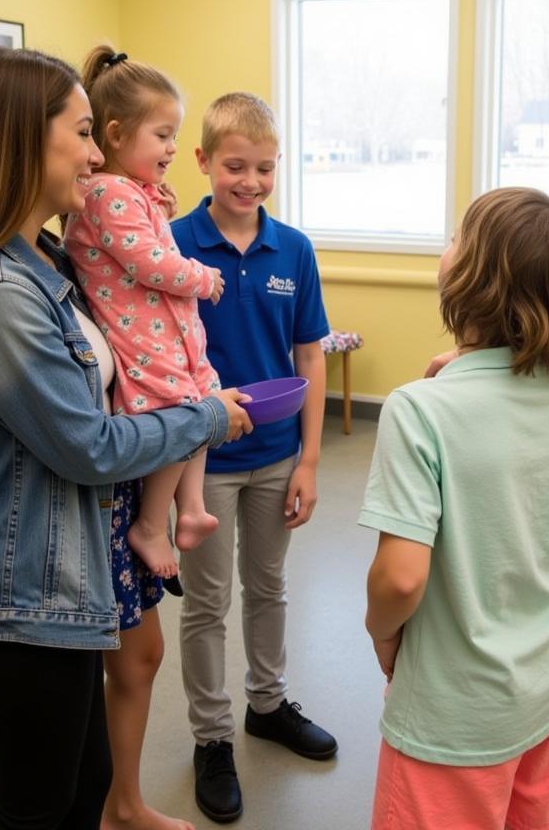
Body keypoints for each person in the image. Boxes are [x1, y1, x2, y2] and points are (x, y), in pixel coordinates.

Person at [0, 47, 252, 830]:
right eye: (83, 133)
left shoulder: (43, 258)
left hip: (62, 581)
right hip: (18, 596)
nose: (96, 153)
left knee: (81, 790)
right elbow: (87, 445)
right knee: (38, 805)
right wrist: (206, 417)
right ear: (23, 139)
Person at [360, 187, 549, 830]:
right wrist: (465, 365)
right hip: (543, 693)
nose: (447, 245)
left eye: (457, 237)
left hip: (452, 713)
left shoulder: (417, 411)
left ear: (475, 275)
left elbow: (402, 578)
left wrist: (382, 632)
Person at [169, 92, 336, 824]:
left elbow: (310, 354)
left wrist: (309, 460)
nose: (250, 181)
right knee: (207, 603)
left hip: (275, 456)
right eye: (234, 166)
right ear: (203, 161)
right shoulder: (169, 242)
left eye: (264, 168)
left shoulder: (293, 249)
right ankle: (212, 736)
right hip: (199, 460)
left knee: (268, 589)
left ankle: (266, 704)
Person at [66, 48, 225, 585]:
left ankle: (193, 506)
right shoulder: (107, 191)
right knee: (183, 409)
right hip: (142, 335)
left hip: (168, 332)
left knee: (204, 392)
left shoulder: (128, 191)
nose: (172, 148)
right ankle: (152, 523)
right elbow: (148, 261)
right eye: (162, 135)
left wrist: (158, 206)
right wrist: (202, 277)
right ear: (114, 134)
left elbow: (144, 238)